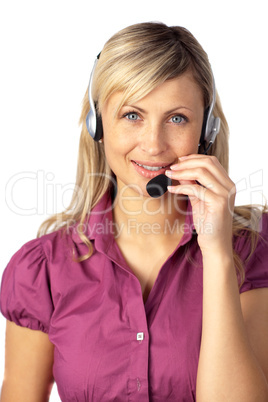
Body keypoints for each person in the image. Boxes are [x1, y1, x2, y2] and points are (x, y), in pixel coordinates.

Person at [0, 22, 268, 402]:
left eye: (177, 118)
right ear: (97, 123)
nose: (154, 145)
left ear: (205, 130)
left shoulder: (253, 248)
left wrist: (217, 253)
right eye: (132, 115)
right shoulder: (43, 268)